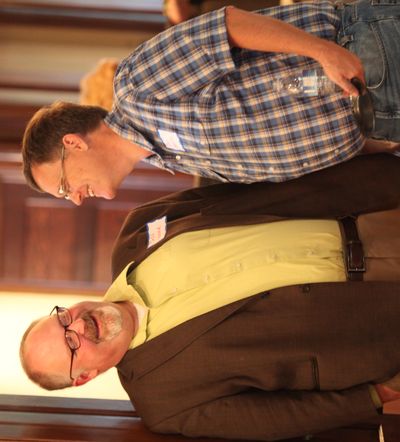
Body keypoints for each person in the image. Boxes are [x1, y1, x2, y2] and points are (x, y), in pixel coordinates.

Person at [20, 154, 400, 441]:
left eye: (62, 319)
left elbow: (235, 189)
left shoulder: (135, 234)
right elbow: (276, 418)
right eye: (71, 344)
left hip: (368, 213)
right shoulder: (164, 404)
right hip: (375, 326)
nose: (78, 326)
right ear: (85, 377)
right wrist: (375, 395)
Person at [22, 0, 400, 205]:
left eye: (64, 186)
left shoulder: (136, 89)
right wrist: (376, 142)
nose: (75, 199)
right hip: (377, 117)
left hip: (368, 60)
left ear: (73, 143)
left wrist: (322, 51)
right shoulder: (169, 159)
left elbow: (227, 27)